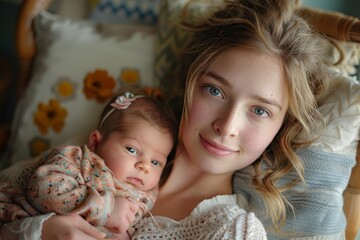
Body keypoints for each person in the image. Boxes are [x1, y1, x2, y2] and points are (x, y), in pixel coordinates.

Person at [0, 0, 337, 239]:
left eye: (259, 111)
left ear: (281, 128)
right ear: (189, 84)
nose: (227, 126)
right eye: (214, 91)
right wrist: (36, 231)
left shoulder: (230, 231)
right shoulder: (106, 155)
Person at [0, 90, 178, 239]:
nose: (144, 166)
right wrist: (107, 208)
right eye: (132, 150)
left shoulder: (146, 196)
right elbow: (44, 189)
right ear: (95, 142)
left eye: (156, 162)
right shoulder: (79, 161)